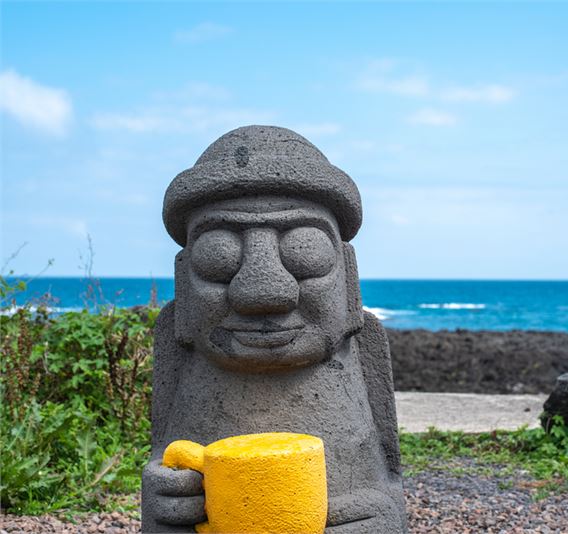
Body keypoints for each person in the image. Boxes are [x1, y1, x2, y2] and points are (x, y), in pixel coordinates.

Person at [141, 126, 407, 533]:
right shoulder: (177, 343)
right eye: (217, 256)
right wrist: (166, 498)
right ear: (184, 279)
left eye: (306, 250)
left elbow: (389, 480)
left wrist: (382, 516)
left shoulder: (363, 341)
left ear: (348, 275)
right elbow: (163, 462)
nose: (262, 292)